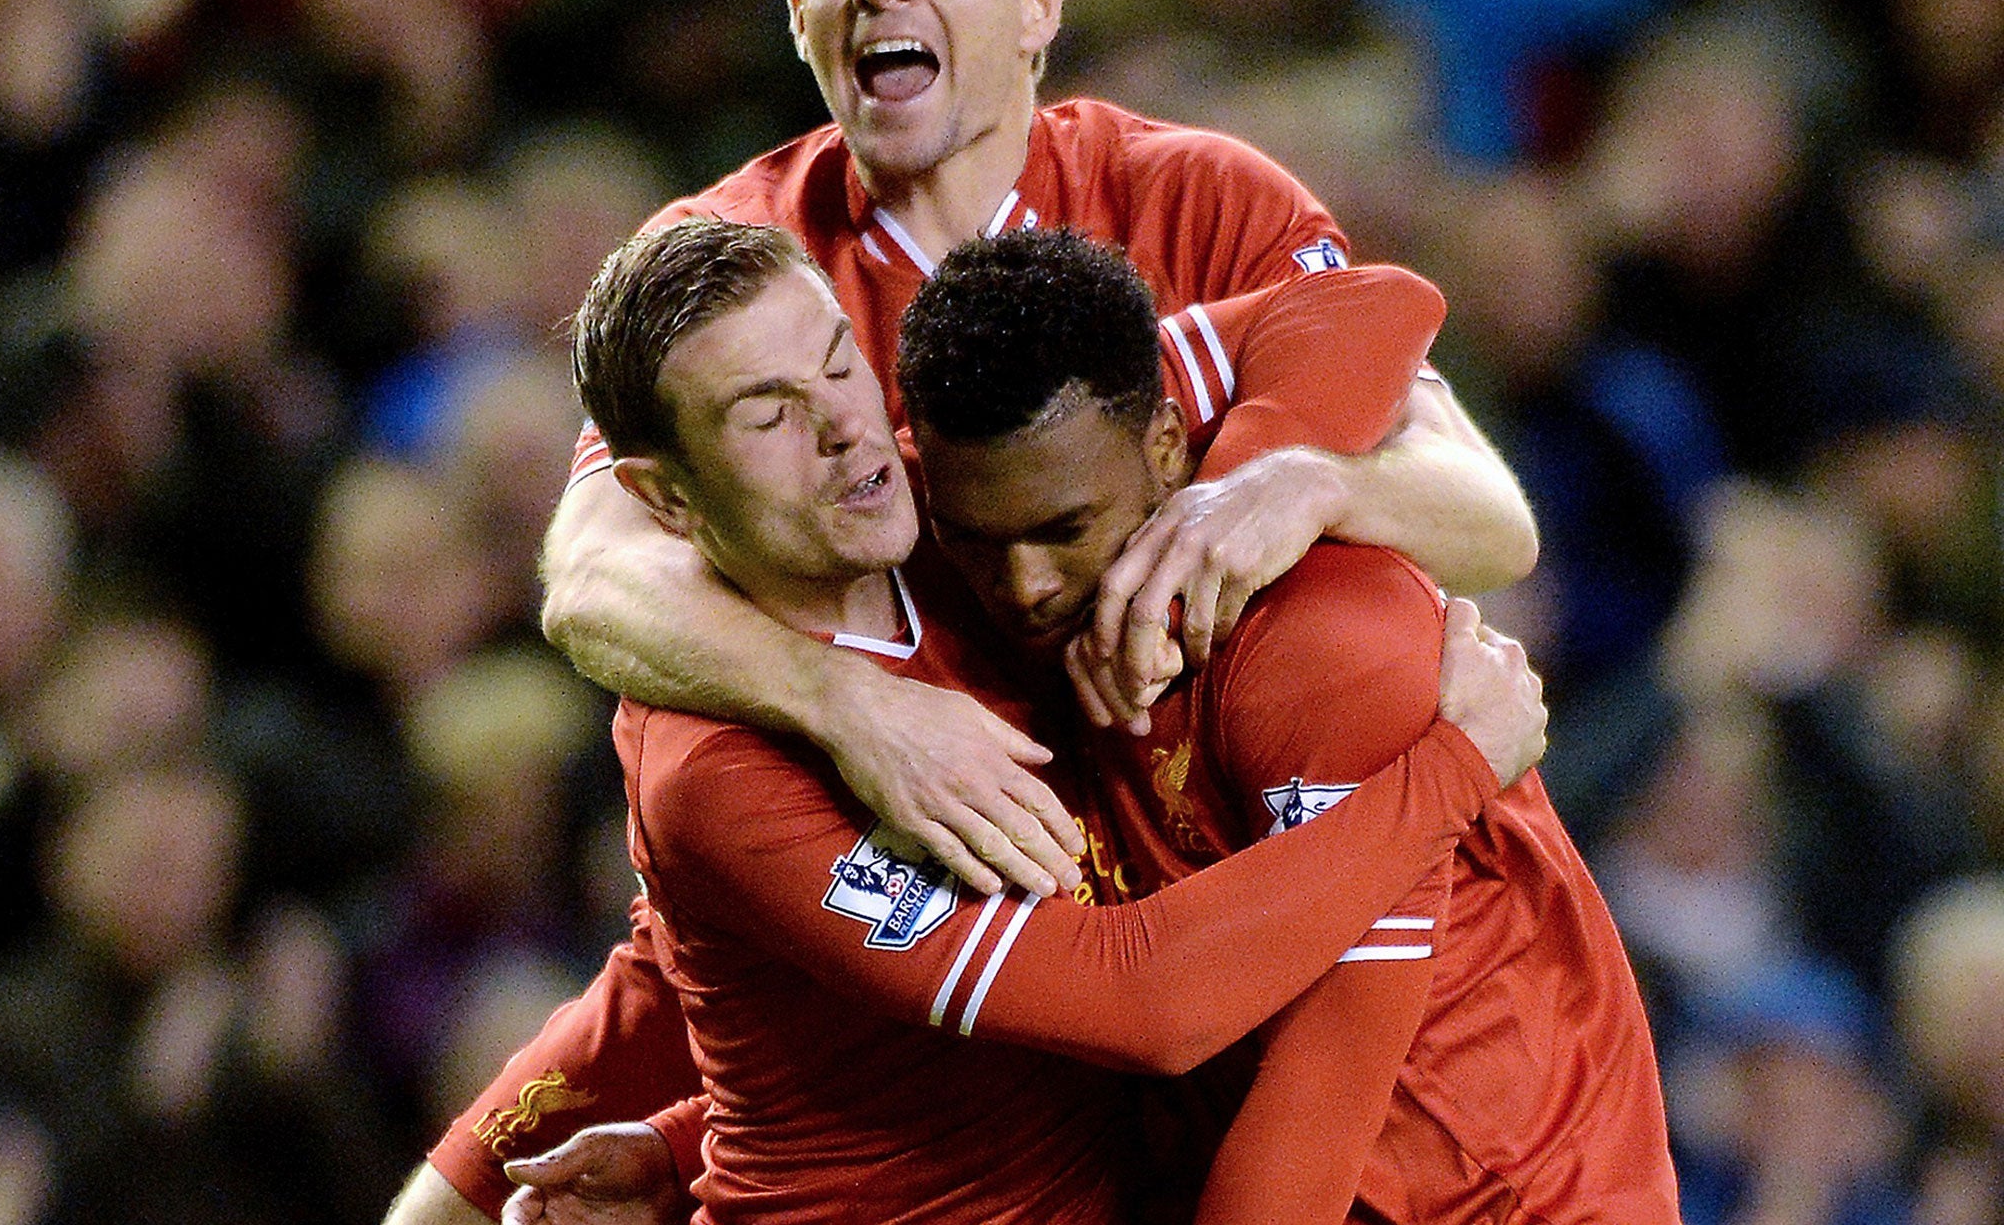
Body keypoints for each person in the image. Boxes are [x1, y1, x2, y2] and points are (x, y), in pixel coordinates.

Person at [394, 0, 1538, 1223]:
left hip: (1232, 854)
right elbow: (590, 580)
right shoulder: (739, 267)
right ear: (797, 10)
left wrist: (1305, 484)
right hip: (1014, 903)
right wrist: (850, 711)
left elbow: (1489, 516)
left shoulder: (1193, 202)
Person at [490, 217, 1544, 1225]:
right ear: (666, 501)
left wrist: (1237, 506)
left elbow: (1369, 305)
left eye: (836, 363)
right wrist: (1448, 772)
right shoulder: (719, 778)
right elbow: (1147, 1003)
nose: (841, 427)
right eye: (767, 415)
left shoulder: (960, 506)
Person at [893, 229, 1678, 1224]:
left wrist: (1270, 485)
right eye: (976, 540)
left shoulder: (1327, 649)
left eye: (1063, 530)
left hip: (1499, 1197)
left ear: (1167, 446)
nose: (1024, 586)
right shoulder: (963, 488)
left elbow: (1327, 1085)